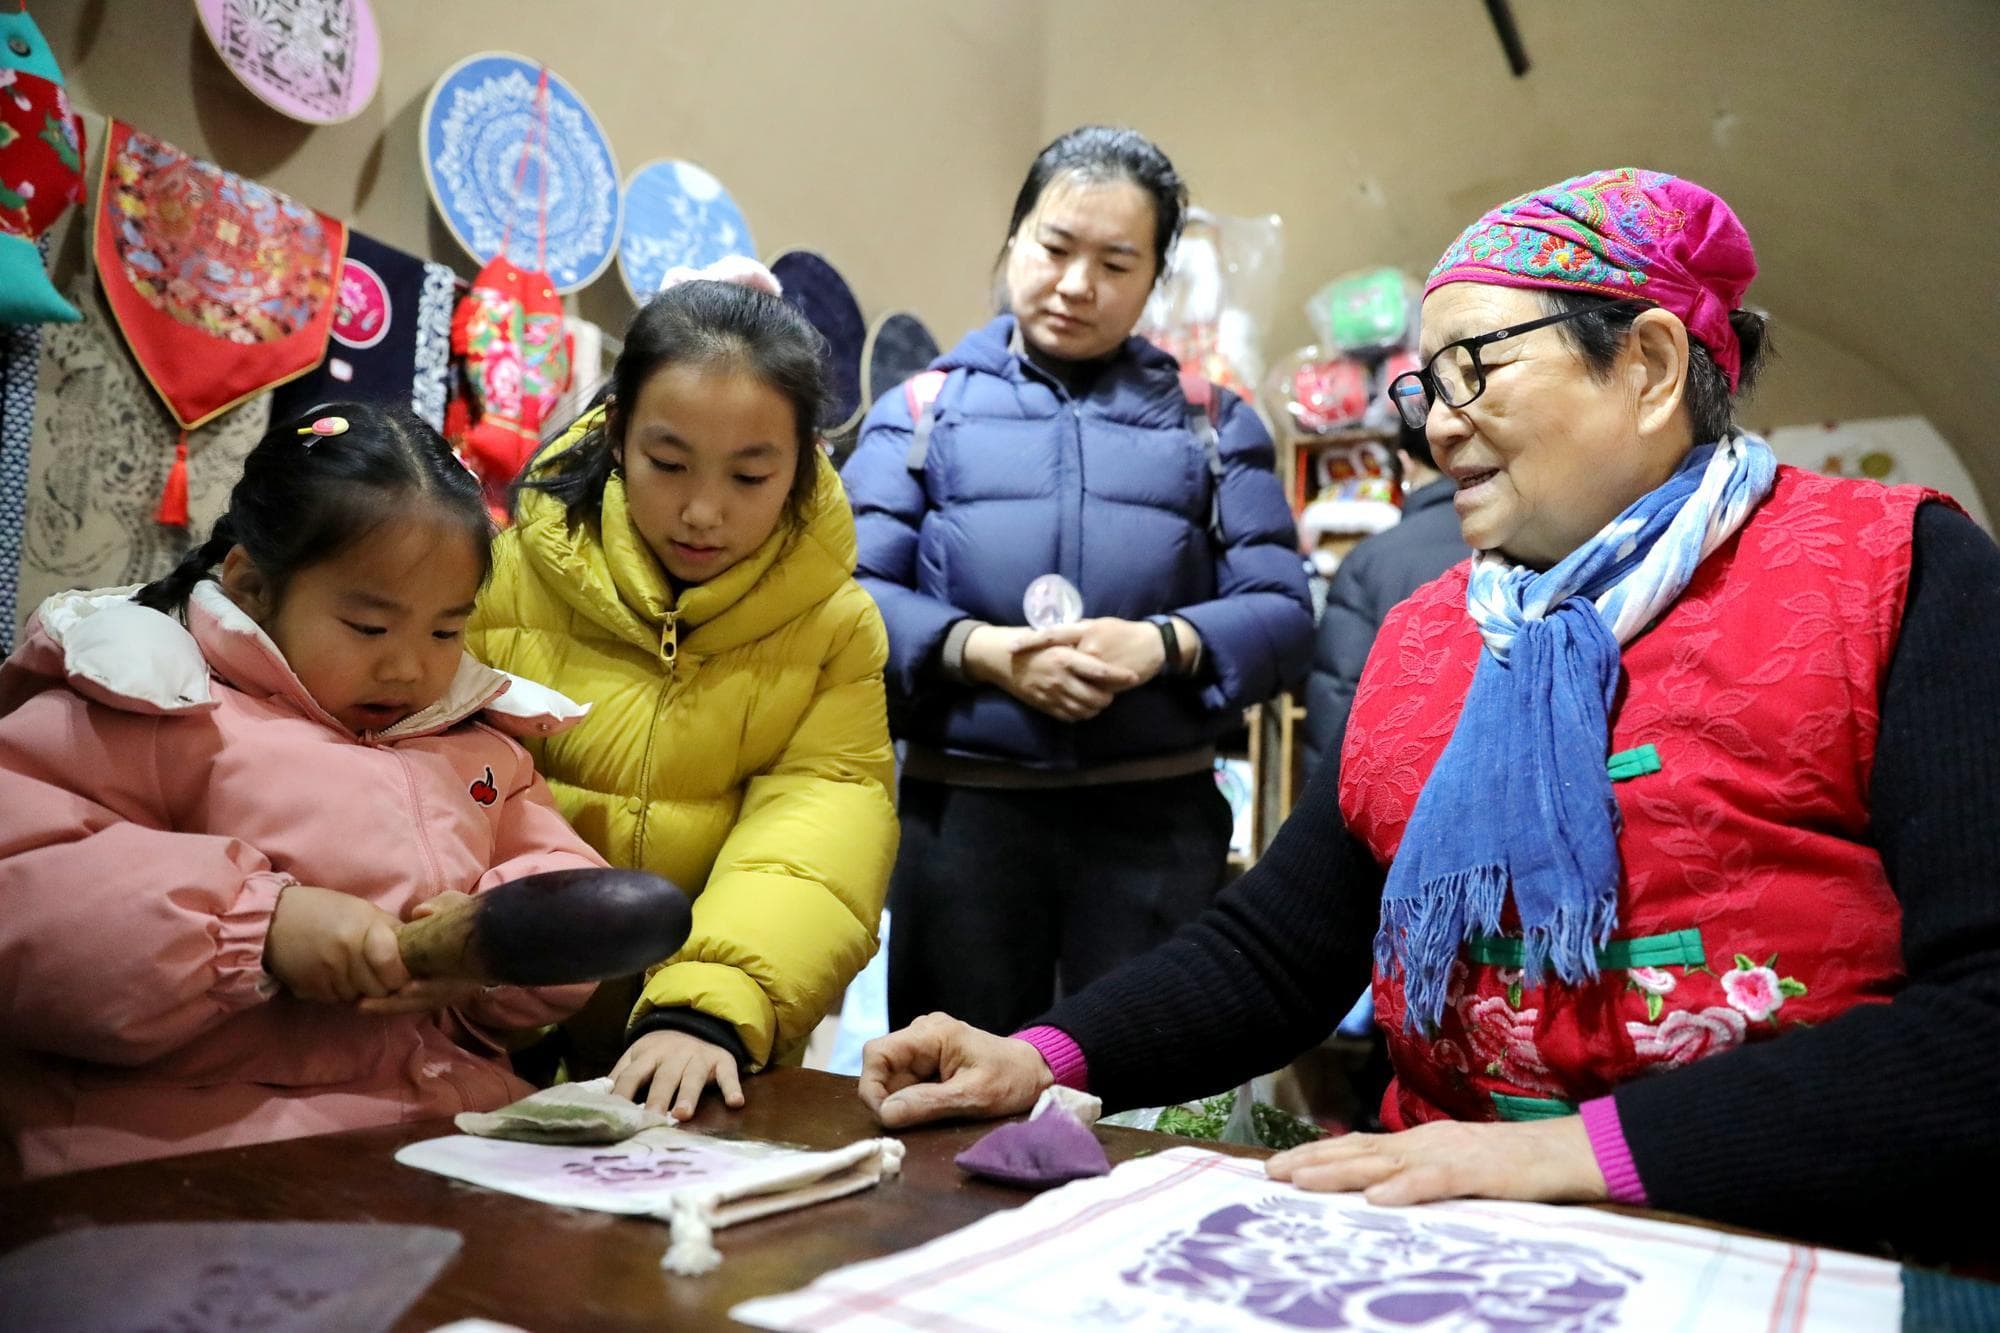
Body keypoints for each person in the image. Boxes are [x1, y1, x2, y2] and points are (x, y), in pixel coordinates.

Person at [858, 168, 2000, 1262]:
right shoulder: (1432, 632)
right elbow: (1278, 950)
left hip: (1788, 1236)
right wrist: (1039, 1053)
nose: (1434, 428)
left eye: (1474, 371)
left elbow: (1981, 1018)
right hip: (1451, 1228)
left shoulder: (1888, 573)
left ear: (1648, 365)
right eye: (1423, 386)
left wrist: (1567, 1154)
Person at [0, 403, 608, 1179]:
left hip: (432, 1135)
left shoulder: (480, 745)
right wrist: (258, 926)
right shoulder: (151, 700)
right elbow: (26, 894)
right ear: (252, 586)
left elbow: (566, 892)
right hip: (178, 1154)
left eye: (445, 631)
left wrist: (495, 938)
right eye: (369, 627)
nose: (410, 667)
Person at [842, 126, 1313, 1036]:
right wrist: (980, 652)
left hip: (1154, 824)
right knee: (953, 1096)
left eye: (1115, 262)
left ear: (1154, 279)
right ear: (1015, 238)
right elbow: (850, 596)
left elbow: (1285, 614)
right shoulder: (920, 412)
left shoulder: (1213, 423)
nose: (1075, 284)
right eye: (1055, 247)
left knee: (1139, 1099)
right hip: (964, 820)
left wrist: (1163, 644)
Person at [467, 261, 897, 1122]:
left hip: (692, 1050)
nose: (703, 511)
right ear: (618, 433)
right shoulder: (505, 571)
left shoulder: (832, 627)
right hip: (477, 1017)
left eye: (749, 477)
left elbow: (819, 823)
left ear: (806, 465)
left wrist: (710, 1001)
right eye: (669, 462)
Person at [1302, 421, 1470, 778]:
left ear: (1405, 463)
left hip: (1398, 789)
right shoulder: (1525, 543)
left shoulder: (1369, 560)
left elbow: (1338, 701)